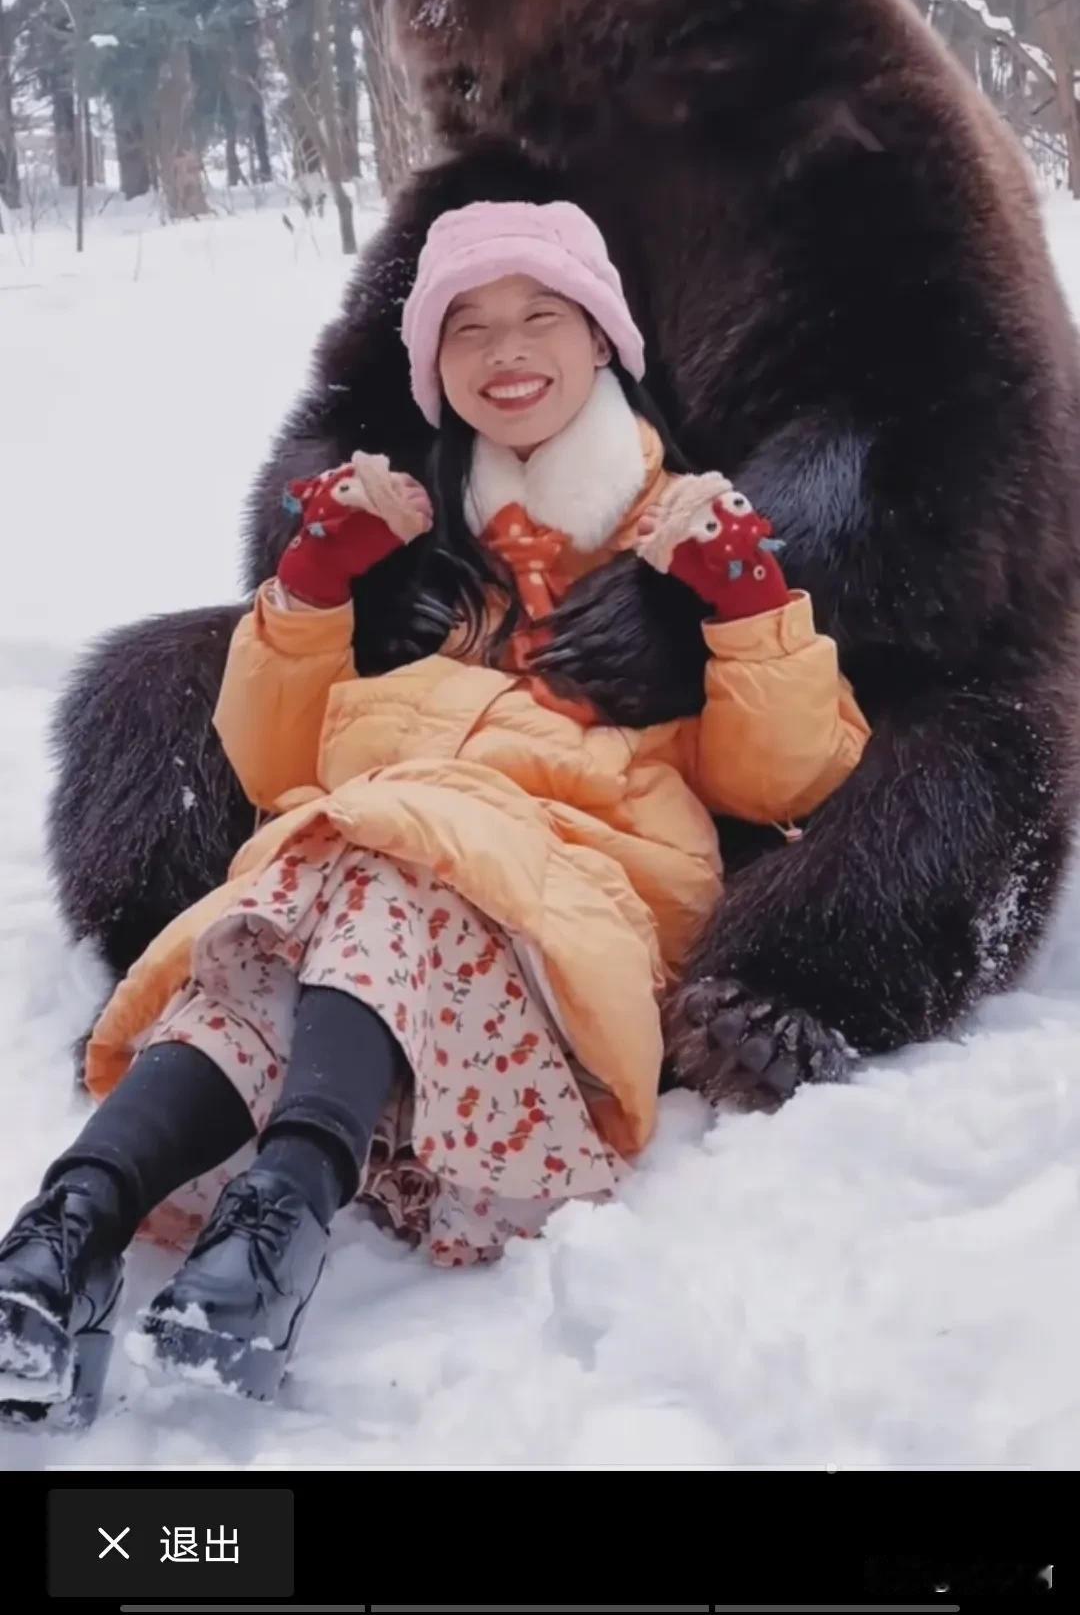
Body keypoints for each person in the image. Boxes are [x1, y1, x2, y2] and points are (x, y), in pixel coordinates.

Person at [0, 200, 869, 1426]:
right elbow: (275, 764)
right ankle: (67, 1235)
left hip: (558, 947)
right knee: (276, 930)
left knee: (374, 871)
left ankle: (271, 1222)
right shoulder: (411, 533)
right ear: (433, 365)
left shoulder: (686, 523)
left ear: (603, 337)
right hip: (356, 919)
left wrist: (748, 607)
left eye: (540, 317)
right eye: (469, 328)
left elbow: (786, 784)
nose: (506, 352)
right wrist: (311, 589)